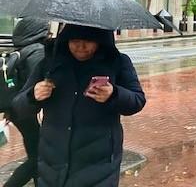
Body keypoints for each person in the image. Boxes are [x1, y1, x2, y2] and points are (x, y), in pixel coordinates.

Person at [13, 24, 146, 187]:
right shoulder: (50, 63)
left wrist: (115, 94)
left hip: (99, 166)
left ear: (100, 41)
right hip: (52, 165)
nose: (81, 47)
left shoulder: (117, 62)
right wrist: (33, 95)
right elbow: (18, 108)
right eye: (75, 41)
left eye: (88, 41)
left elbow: (137, 100)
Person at [4, 18, 48, 187]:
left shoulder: (21, 50)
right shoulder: (37, 52)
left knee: (34, 150)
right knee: (39, 156)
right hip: (26, 108)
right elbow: (36, 83)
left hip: (16, 108)